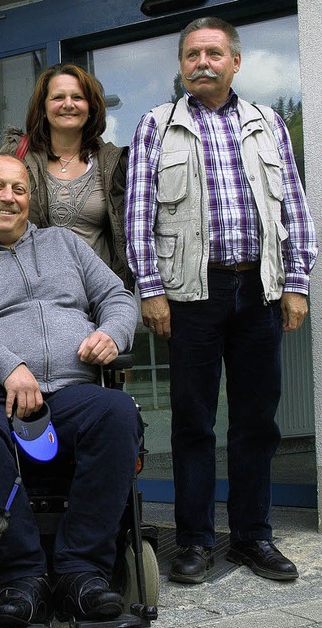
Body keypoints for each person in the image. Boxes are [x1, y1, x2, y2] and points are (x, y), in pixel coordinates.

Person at [125, 17, 318, 584]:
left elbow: (294, 209)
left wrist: (297, 283)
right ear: (182, 65)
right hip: (192, 294)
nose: (201, 62)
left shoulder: (269, 123)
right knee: (192, 422)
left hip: (259, 289)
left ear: (235, 61)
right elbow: (140, 213)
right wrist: (152, 290)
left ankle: (254, 537)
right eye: (191, 54)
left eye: (213, 52)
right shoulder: (157, 125)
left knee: (257, 421)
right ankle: (194, 541)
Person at [0, 153, 141, 628]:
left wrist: (114, 332)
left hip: (72, 384)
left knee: (118, 414)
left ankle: (81, 572)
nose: (8, 198)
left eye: (19, 189)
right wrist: (6, 364)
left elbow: (117, 296)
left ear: (30, 200)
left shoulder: (65, 244)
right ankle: (23, 577)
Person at [0, 62, 132, 290]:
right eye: (58, 97)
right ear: (43, 107)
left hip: (93, 295)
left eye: (78, 97)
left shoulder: (112, 162)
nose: (68, 104)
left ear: (91, 107)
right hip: (27, 293)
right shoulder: (17, 154)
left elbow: (129, 233)